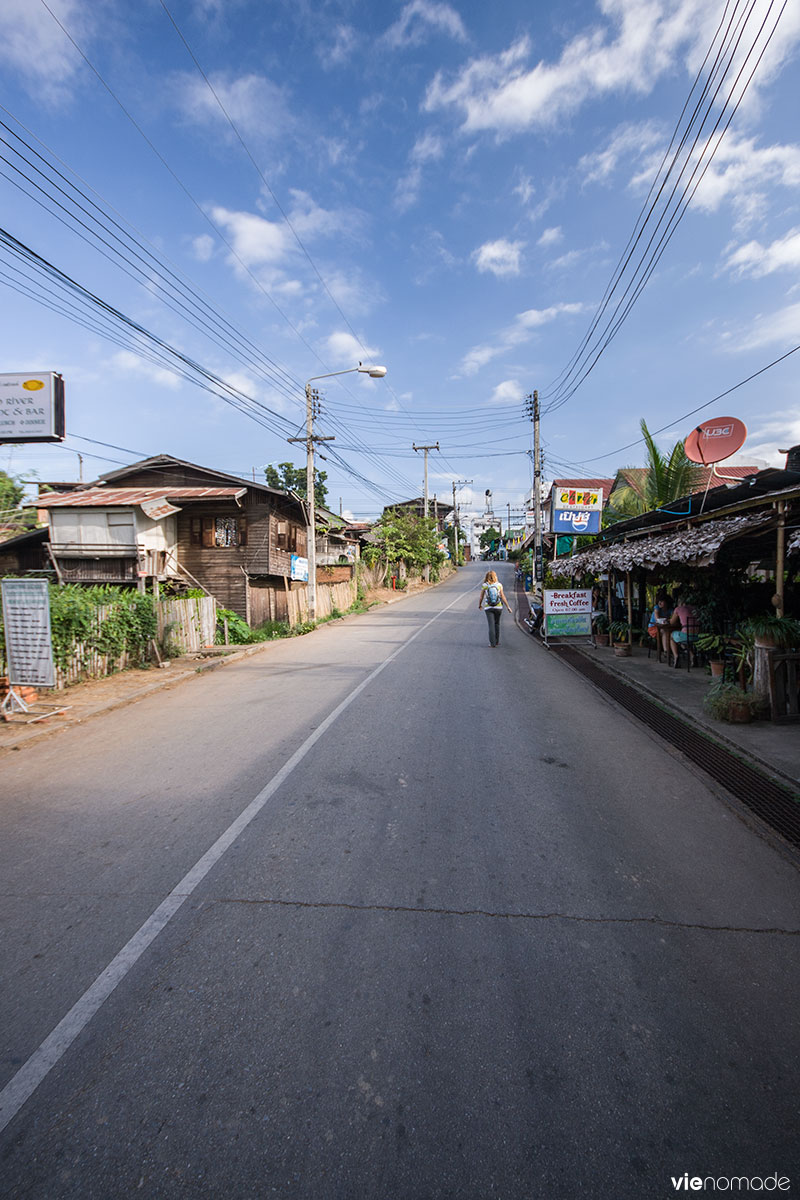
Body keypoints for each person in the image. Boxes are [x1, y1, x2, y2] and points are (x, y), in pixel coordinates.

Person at [478, 569, 512, 647]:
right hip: (498, 607)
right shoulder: (499, 585)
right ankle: (497, 641)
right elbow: (503, 596)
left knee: (491, 625)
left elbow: (481, 597)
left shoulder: (485, 585)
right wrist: (508, 607)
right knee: (497, 624)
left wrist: (479, 605)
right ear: (495, 576)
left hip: (488, 607)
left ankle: (492, 643)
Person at [668, 594, 699, 666]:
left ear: (680, 602)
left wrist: (668, 620)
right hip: (698, 636)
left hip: (686, 635)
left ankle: (676, 656)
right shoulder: (695, 608)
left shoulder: (678, 609)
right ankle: (692, 655)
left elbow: (672, 622)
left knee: (672, 636)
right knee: (683, 641)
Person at [649, 593, 673, 658]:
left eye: (662, 601)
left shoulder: (670, 609)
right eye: (659, 601)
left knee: (671, 632)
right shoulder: (657, 608)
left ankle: (672, 651)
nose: (660, 603)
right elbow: (657, 620)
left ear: (666, 602)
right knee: (664, 631)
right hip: (653, 628)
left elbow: (673, 619)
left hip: (664, 627)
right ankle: (666, 651)